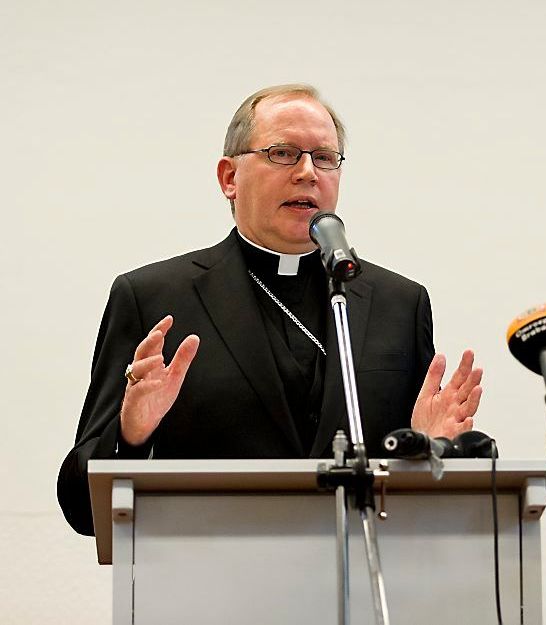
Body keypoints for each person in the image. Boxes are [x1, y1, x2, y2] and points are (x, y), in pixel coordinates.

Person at [58, 84, 483, 536]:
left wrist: (435, 449)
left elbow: (420, 493)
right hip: (207, 586)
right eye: (283, 153)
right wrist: (132, 434)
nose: (307, 173)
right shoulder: (153, 298)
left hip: (361, 582)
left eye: (324, 157)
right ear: (229, 178)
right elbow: (81, 506)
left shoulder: (399, 303)